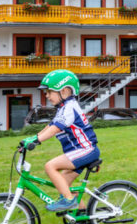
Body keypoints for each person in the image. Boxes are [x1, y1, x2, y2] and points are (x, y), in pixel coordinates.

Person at [19, 69, 100, 212]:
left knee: (50, 166)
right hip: (80, 151)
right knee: (64, 185)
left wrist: (37, 141)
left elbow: (55, 128)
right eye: (46, 93)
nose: (47, 96)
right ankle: (81, 214)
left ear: (64, 91)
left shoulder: (69, 108)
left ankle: (69, 201)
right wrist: (32, 138)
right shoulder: (63, 108)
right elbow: (49, 126)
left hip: (85, 150)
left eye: (50, 92)